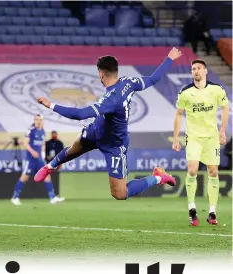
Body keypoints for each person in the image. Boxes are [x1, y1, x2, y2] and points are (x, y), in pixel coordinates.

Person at [34, 47, 183, 201]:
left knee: (120, 193)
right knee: (74, 148)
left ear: (101, 74)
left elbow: (80, 114)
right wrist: (169, 58)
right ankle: (49, 167)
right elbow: (152, 79)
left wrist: (51, 105)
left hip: (114, 144)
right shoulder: (128, 82)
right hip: (97, 130)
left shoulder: (111, 100)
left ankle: (158, 177)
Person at [172, 59, 229, 226]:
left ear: (205, 71)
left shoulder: (216, 90)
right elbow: (178, 114)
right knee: (192, 169)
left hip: (211, 138)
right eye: (193, 69)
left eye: (198, 68)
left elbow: (225, 108)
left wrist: (223, 130)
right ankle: (192, 209)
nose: (195, 71)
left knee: (213, 172)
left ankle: (212, 211)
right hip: (194, 137)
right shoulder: (185, 92)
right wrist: (176, 138)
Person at [11, 114, 65, 205]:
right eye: (36, 119)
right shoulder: (30, 130)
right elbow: (25, 143)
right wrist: (32, 152)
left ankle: (52, 198)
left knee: (47, 175)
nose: (38, 121)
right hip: (30, 159)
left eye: (40, 119)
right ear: (34, 120)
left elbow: (42, 144)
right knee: (25, 177)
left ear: (42, 121)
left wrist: (42, 154)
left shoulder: (43, 131)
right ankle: (15, 197)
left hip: (39, 159)